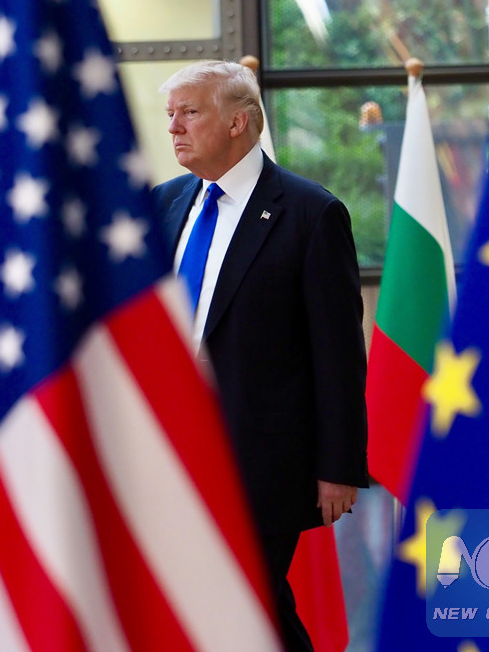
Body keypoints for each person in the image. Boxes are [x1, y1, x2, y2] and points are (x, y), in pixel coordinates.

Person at [153, 60, 369, 651]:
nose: (174, 128)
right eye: (170, 115)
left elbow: (338, 353)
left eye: (189, 112)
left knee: (235, 602)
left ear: (238, 122)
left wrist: (339, 464)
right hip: (172, 449)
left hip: (261, 460)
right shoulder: (164, 204)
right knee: (248, 608)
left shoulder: (310, 212)